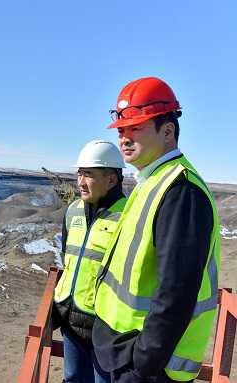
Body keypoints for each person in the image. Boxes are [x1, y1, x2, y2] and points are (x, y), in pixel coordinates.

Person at [93, 77, 221, 383]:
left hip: (151, 368)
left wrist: (142, 366)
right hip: (123, 350)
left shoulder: (181, 190)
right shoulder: (151, 181)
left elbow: (176, 292)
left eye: (136, 128)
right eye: (122, 130)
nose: (124, 138)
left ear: (168, 131)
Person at [53, 140, 126, 383]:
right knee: (73, 378)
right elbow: (68, 259)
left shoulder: (128, 217)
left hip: (104, 327)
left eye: (89, 175)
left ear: (112, 179)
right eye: (79, 173)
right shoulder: (73, 211)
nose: (81, 182)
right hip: (71, 320)